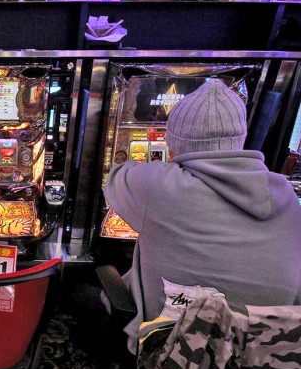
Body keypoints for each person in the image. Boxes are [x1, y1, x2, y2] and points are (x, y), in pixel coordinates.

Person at [103, 79, 301, 354]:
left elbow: (113, 175)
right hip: (262, 362)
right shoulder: (286, 195)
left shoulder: (159, 186)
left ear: (173, 145)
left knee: (82, 295)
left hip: (173, 359)